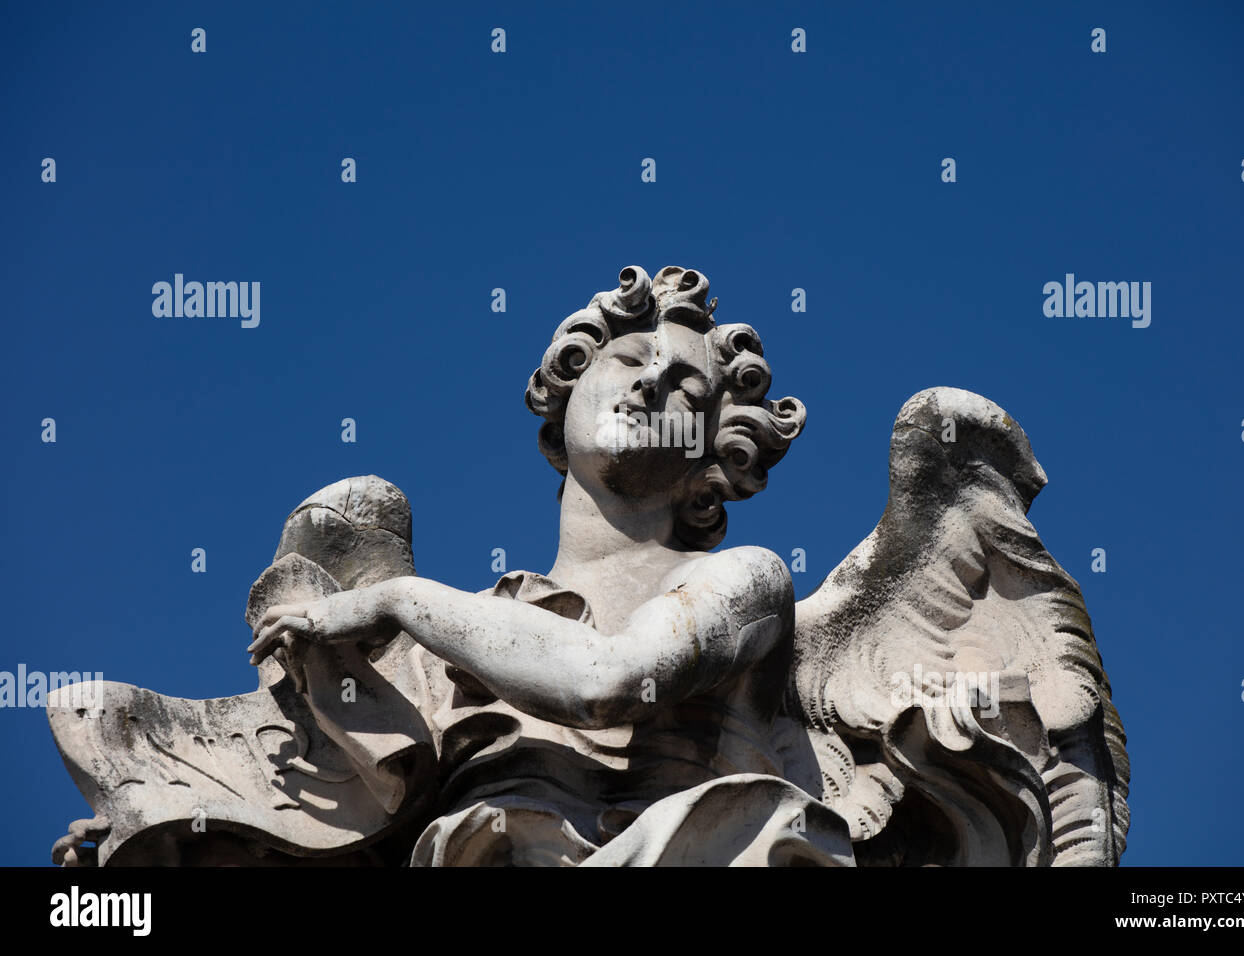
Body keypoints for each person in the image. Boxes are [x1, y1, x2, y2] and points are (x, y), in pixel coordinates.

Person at [249, 266, 853, 865]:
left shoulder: (746, 580)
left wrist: (396, 598)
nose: (649, 385)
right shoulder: (446, 651)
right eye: (628, 359)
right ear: (568, 390)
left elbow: (603, 684)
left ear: (714, 449)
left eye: (687, 391)